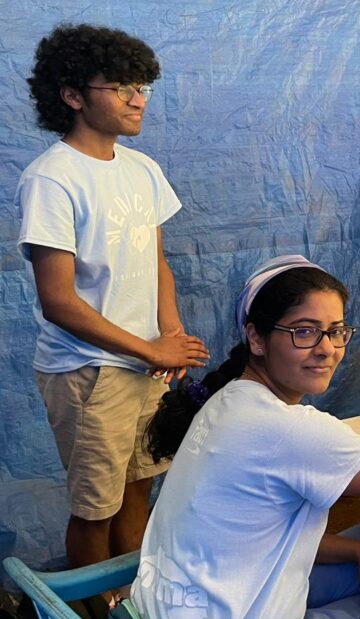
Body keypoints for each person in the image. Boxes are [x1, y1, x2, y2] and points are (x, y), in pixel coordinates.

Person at [133, 256, 360, 617]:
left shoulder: (229, 398)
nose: (327, 348)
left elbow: (258, 537)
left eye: (336, 330)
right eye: (305, 331)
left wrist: (357, 550)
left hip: (179, 599)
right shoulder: (285, 427)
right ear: (257, 338)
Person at [15, 24, 209, 574]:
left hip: (145, 364)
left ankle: (131, 596)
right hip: (89, 372)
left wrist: (169, 334)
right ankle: (95, 606)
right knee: (94, 509)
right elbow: (59, 302)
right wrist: (152, 351)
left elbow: (157, 265)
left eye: (143, 86)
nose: (137, 99)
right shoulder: (52, 180)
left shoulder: (143, 170)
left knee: (138, 490)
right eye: (121, 87)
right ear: (73, 95)